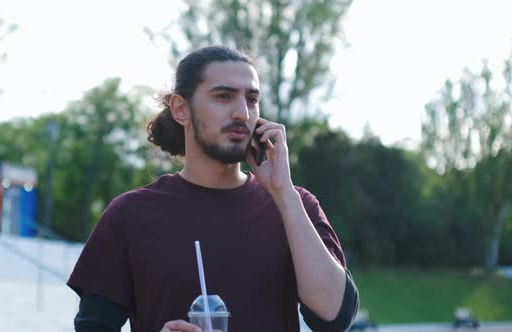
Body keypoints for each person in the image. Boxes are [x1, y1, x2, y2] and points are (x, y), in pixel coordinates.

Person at [67, 45, 359, 332]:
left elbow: (334, 318)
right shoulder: (129, 215)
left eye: (252, 99)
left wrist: (283, 194)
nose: (243, 113)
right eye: (223, 97)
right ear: (181, 109)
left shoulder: (296, 206)